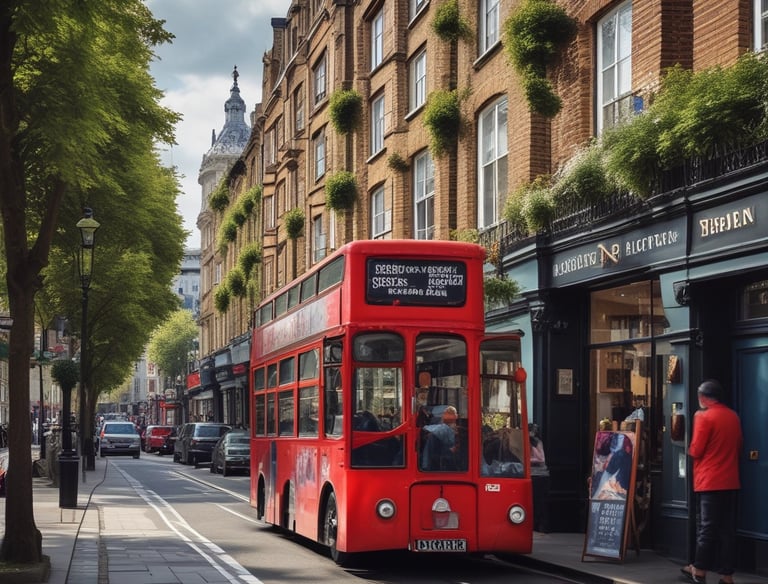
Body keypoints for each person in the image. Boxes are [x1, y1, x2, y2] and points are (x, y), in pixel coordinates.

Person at [680, 379, 742, 584]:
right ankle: (727, 576)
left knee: (706, 527)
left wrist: (688, 450)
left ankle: (698, 570)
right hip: (730, 480)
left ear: (703, 397)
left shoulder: (703, 416)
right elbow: (739, 444)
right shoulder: (733, 416)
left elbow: (696, 450)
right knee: (726, 531)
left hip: (709, 480)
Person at [421, 406, 461, 470]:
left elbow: (425, 428)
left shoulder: (439, 430)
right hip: (452, 462)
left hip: (441, 464)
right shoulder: (458, 429)